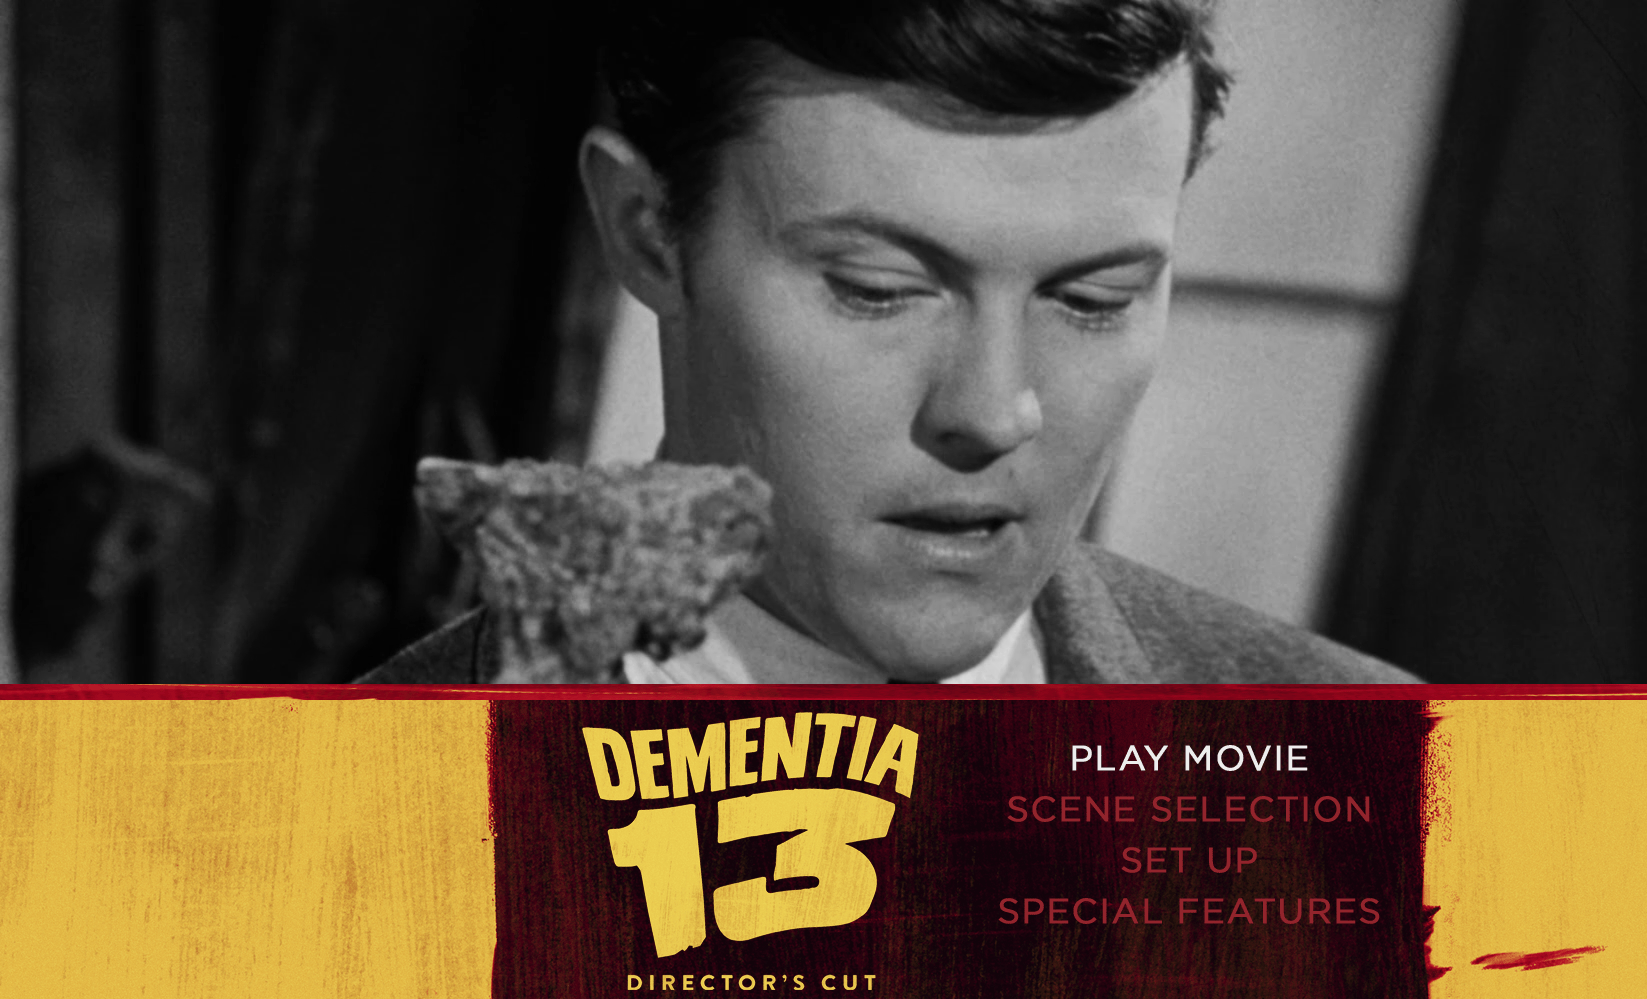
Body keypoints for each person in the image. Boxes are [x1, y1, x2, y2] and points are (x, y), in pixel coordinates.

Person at [365, 0, 1413, 684]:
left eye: (1092, 299)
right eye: (882, 291)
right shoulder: (333, 835)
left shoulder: (1377, 790)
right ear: (649, 234)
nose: (993, 412)